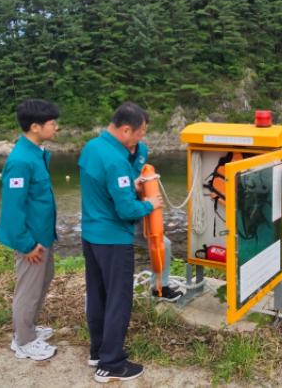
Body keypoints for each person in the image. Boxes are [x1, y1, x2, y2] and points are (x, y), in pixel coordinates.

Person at [79, 102, 165, 383]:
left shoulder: (92, 147)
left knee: (98, 293)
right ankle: (112, 363)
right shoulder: (116, 160)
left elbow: (108, 187)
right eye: (140, 132)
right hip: (112, 239)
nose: (141, 138)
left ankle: (98, 351)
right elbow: (126, 210)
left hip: (91, 235)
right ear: (126, 129)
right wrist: (149, 204)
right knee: (118, 299)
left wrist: (132, 184)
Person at [0, 99, 60, 361]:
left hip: (42, 236)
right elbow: (12, 210)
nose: (56, 127)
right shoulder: (21, 161)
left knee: (43, 282)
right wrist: (26, 244)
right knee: (29, 290)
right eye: (52, 123)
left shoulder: (35, 152)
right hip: (32, 241)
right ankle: (23, 341)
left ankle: (29, 329)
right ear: (35, 126)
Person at [129, 140, 183, 302]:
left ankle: (160, 288)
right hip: (120, 218)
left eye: (143, 130)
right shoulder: (114, 155)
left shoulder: (142, 150)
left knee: (163, 244)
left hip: (138, 210)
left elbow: (140, 180)